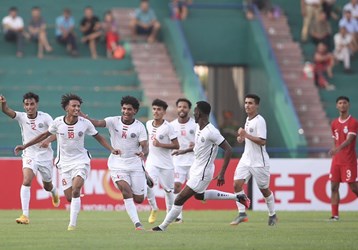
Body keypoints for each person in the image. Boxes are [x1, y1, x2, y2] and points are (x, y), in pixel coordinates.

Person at [14, 93, 120, 230]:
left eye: (78, 106)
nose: (77, 109)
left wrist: (111, 149)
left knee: (76, 190)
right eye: (74, 106)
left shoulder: (85, 123)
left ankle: (72, 224)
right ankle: (63, 197)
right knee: (70, 197)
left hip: (81, 161)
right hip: (64, 164)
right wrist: (25, 146)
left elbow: (98, 137)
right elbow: (43, 135)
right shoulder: (58, 122)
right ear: (66, 108)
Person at [151, 101, 250, 231]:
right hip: (196, 168)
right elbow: (199, 148)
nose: (194, 113)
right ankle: (238, 197)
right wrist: (184, 151)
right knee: (199, 195)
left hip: (203, 172)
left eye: (196, 111)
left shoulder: (211, 131)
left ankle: (162, 227)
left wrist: (222, 173)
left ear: (201, 113)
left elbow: (228, 149)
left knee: (179, 199)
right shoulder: (199, 127)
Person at [80, 96, 149, 230]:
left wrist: (143, 153)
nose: (126, 111)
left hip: (135, 164)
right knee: (126, 190)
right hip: (117, 164)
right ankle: (137, 223)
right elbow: (96, 123)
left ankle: (145, 176)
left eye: (129, 109)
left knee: (139, 199)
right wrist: (83, 116)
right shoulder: (113, 121)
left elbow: (145, 146)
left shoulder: (139, 127)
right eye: (124, 108)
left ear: (135, 111)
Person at [0, 92, 60, 225]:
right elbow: (7, 111)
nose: (29, 107)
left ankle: (54, 191)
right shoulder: (21, 117)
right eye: (26, 104)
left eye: (32, 104)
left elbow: (58, 132)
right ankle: (25, 215)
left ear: (36, 104)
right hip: (29, 154)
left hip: (45, 156)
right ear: (24, 105)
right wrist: (3, 104)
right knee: (26, 180)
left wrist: (48, 141)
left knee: (47, 186)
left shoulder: (45, 118)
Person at [230, 94, 277, 226]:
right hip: (246, 159)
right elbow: (249, 137)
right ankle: (242, 213)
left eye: (250, 103)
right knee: (236, 185)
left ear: (256, 105)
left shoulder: (259, 120)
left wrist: (246, 135)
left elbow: (262, 141)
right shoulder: (248, 119)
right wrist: (242, 138)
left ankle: (272, 214)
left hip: (259, 161)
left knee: (264, 189)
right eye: (246, 103)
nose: (247, 105)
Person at [145, 99, 179, 224]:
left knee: (169, 190)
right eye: (154, 109)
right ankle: (154, 208)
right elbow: (148, 143)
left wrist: (160, 144)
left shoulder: (168, 127)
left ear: (164, 112)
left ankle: (169, 215)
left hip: (166, 164)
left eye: (159, 109)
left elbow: (176, 145)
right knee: (147, 183)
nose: (156, 111)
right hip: (151, 162)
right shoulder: (148, 124)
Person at [328, 96, 358, 221]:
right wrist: (334, 151)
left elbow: (350, 140)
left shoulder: (353, 122)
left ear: (348, 105)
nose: (342, 105)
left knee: (354, 187)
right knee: (334, 187)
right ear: (337, 106)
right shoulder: (334, 123)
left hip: (348, 160)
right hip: (337, 161)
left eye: (344, 103)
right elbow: (334, 140)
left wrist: (337, 149)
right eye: (340, 103)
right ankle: (335, 215)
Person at [170, 98, 196, 223]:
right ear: (177, 108)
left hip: (193, 161)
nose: (182, 109)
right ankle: (178, 216)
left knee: (197, 192)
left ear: (188, 109)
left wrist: (195, 145)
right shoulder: (171, 125)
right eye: (179, 106)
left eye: (184, 107)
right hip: (178, 161)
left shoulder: (195, 125)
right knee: (176, 186)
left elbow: (202, 142)